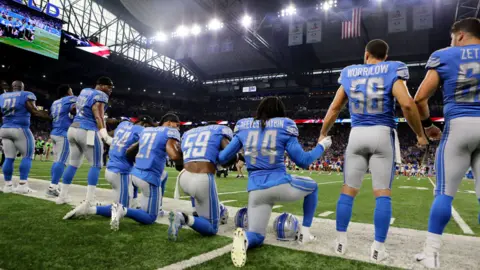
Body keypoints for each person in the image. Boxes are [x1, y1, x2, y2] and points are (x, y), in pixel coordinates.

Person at [319, 39, 428, 262]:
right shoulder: (392, 68)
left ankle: (340, 242)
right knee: (382, 194)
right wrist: (419, 134)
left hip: (357, 134)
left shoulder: (350, 72)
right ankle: (377, 248)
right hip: (382, 133)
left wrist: (323, 133)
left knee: (347, 191)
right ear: (385, 56)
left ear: (366, 54)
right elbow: (407, 104)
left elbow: (335, 107)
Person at [218, 97, 332, 267]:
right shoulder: (284, 125)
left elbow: (223, 158)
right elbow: (303, 161)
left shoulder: (244, 127)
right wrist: (322, 146)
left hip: (256, 191)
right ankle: (305, 233)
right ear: (280, 112)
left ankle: (246, 240)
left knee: (256, 235)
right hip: (280, 184)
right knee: (313, 187)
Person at [414, 18, 480, 268]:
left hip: (459, 127)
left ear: (461, 35)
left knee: (444, 193)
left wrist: (429, 125)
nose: (451, 42)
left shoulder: (446, 55)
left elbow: (420, 97)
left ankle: (431, 254)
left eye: (453, 38)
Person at [62, 116, 155, 221]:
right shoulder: (142, 131)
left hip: (110, 169)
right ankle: (89, 209)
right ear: (145, 125)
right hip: (121, 171)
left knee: (120, 202)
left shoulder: (123, 125)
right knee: (121, 208)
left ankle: (131, 201)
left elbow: (111, 139)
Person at [106, 113, 182, 230]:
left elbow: (129, 152)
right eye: (177, 125)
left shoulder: (147, 131)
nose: (178, 128)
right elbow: (174, 156)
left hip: (135, 173)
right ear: (170, 122)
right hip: (149, 176)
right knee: (150, 217)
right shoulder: (170, 132)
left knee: (164, 175)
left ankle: (146, 204)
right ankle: (123, 210)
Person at [168, 123, 233, 240]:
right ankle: (183, 218)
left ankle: (197, 211)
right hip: (202, 177)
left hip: (183, 176)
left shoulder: (189, 133)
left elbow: (178, 164)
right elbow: (230, 158)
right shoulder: (219, 132)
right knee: (212, 227)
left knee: (199, 197)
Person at [56, 77, 114, 205]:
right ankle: (89, 200)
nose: (110, 90)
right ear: (100, 85)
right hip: (87, 131)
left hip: (73, 129)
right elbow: (98, 116)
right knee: (96, 164)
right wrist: (105, 136)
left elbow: (74, 109)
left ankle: (62, 196)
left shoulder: (85, 91)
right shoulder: (100, 95)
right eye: (109, 87)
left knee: (73, 164)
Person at [0, 80, 50, 193]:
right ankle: (22, 184)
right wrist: (48, 115)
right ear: (22, 87)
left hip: (4, 128)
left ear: (12, 87)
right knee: (27, 156)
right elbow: (34, 111)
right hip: (20, 128)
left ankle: (7, 185)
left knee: (9, 158)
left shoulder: (2, 96)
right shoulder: (26, 94)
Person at [46, 85, 76, 197]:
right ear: (68, 92)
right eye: (71, 90)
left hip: (54, 132)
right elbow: (77, 107)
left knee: (56, 161)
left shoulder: (55, 102)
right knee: (62, 161)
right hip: (63, 133)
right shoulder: (70, 99)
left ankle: (54, 184)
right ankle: (52, 187)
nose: (72, 93)